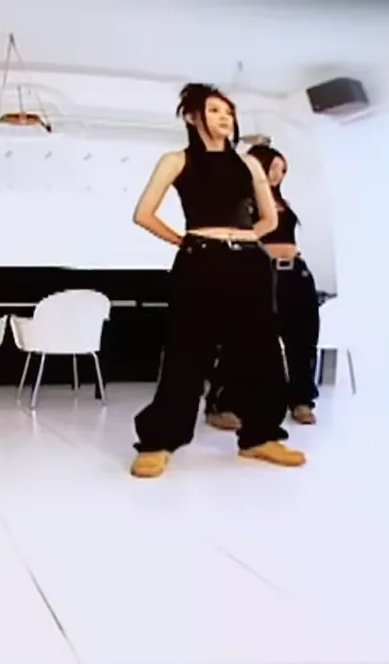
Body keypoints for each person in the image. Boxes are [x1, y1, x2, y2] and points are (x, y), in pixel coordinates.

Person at [128, 84, 306, 479]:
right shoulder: (176, 160)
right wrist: (186, 241)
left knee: (260, 350)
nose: (224, 118)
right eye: (214, 110)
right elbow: (143, 214)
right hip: (200, 262)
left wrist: (242, 239)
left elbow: (269, 220)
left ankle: (260, 436)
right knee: (186, 351)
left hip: (249, 264)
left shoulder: (249, 164)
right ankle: (159, 441)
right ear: (192, 117)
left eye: (228, 112)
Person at [204, 145, 320, 428]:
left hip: (296, 274)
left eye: (283, 170)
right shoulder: (242, 201)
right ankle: (220, 404)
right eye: (273, 167)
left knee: (302, 339)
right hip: (261, 274)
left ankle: (301, 400)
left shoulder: (282, 203)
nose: (278, 175)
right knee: (242, 340)